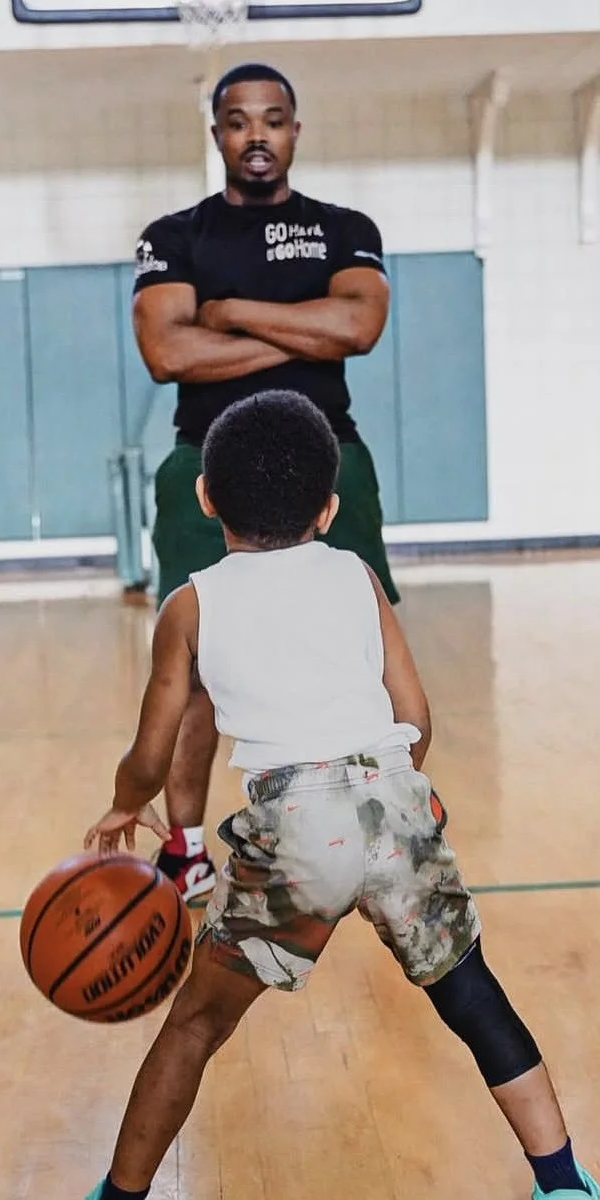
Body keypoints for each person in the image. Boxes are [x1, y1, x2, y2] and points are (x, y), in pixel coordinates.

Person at [72, 390, 600, 1200]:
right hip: (392, 794)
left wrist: (125, 807)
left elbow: (153, 746)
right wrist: (402, 802)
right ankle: (566, 1193)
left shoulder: (191, 605)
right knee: (472, 998)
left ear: (205, 498)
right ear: (328, 509)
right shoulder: (357, 574)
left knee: (198, 1023)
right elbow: (416, 715)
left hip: (293, 825)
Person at [132, 61, 399, 907]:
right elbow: (168, 353)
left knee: (369, 642)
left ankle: (389, 817)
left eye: (274, 119)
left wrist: (234, 312)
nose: (257, 134)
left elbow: (359, 324)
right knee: (197, 670)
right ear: (217, 135)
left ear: (294, 130)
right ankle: (185, 847)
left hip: (329, 460)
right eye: (239, 120)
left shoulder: (343, 227)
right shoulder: (176, 237)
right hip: (202, 462)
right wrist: (307, 334)